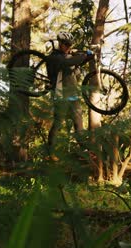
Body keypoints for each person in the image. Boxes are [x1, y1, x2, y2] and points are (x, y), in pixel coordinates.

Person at [45, 31, 92, 161]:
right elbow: (67, 62)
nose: (68, 47)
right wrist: (83, 55)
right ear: (59, 44)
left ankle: (84, 151)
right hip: (61, 94)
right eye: (66, 44)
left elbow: (76, 63)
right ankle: (50, 153)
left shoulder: (68, 57)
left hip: (73, 94)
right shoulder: (55, 57)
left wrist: (88, 57)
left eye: (69, 44)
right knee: (58, 123)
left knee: (79, 124)